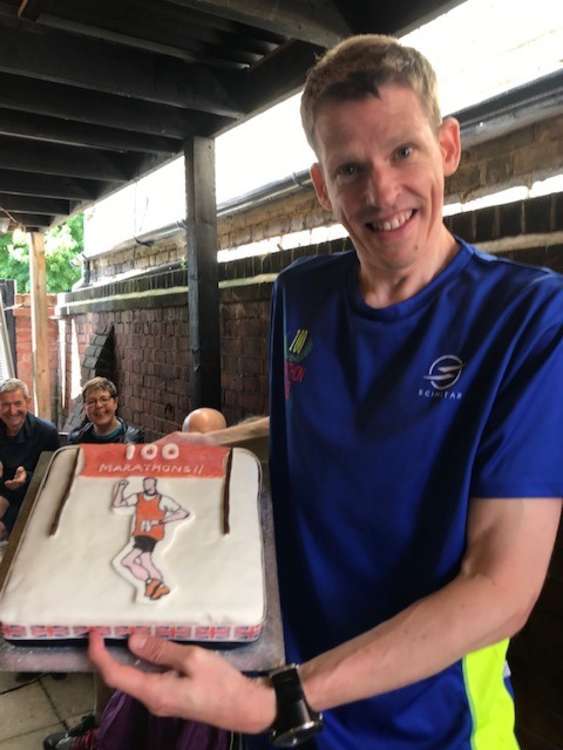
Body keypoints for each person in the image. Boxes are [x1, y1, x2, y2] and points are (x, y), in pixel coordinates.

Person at [89, 35, 563, 750]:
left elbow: (500, 589)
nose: (380, 191)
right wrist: (211, 444)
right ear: (321, 186)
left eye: (403, 151)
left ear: (448, 146)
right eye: (350, 168)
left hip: (427, 725)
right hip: (283, 691)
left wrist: (287, 698)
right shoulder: (298, 295)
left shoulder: (528, 317)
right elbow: (312, 430)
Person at [113, 475, 191, 600]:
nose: (146, 486)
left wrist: (159, 522)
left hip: (150, 535)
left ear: (154, 484)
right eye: (145, 483)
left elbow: (183, 513)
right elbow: (118, 504)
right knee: (145, 561)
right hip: (139, 534)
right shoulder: (137, 497)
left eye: (149, 483)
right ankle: (157, 586)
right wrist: (121, 488)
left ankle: (154, 584)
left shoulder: (163, 500)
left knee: (127, 561)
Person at [0, 378, 59, 539]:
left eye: (17, 403)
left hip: (30, 497)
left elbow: (54, 478)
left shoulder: (46, 432)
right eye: (5, 404)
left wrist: (26, 478)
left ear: (28, 402)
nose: (12, 411)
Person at [68, 377, 143, 444]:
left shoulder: (132, 439)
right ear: (84, 407)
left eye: (104, 399)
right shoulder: (77, 440)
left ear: (115, 402)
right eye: (91, 401)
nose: (98, 405)